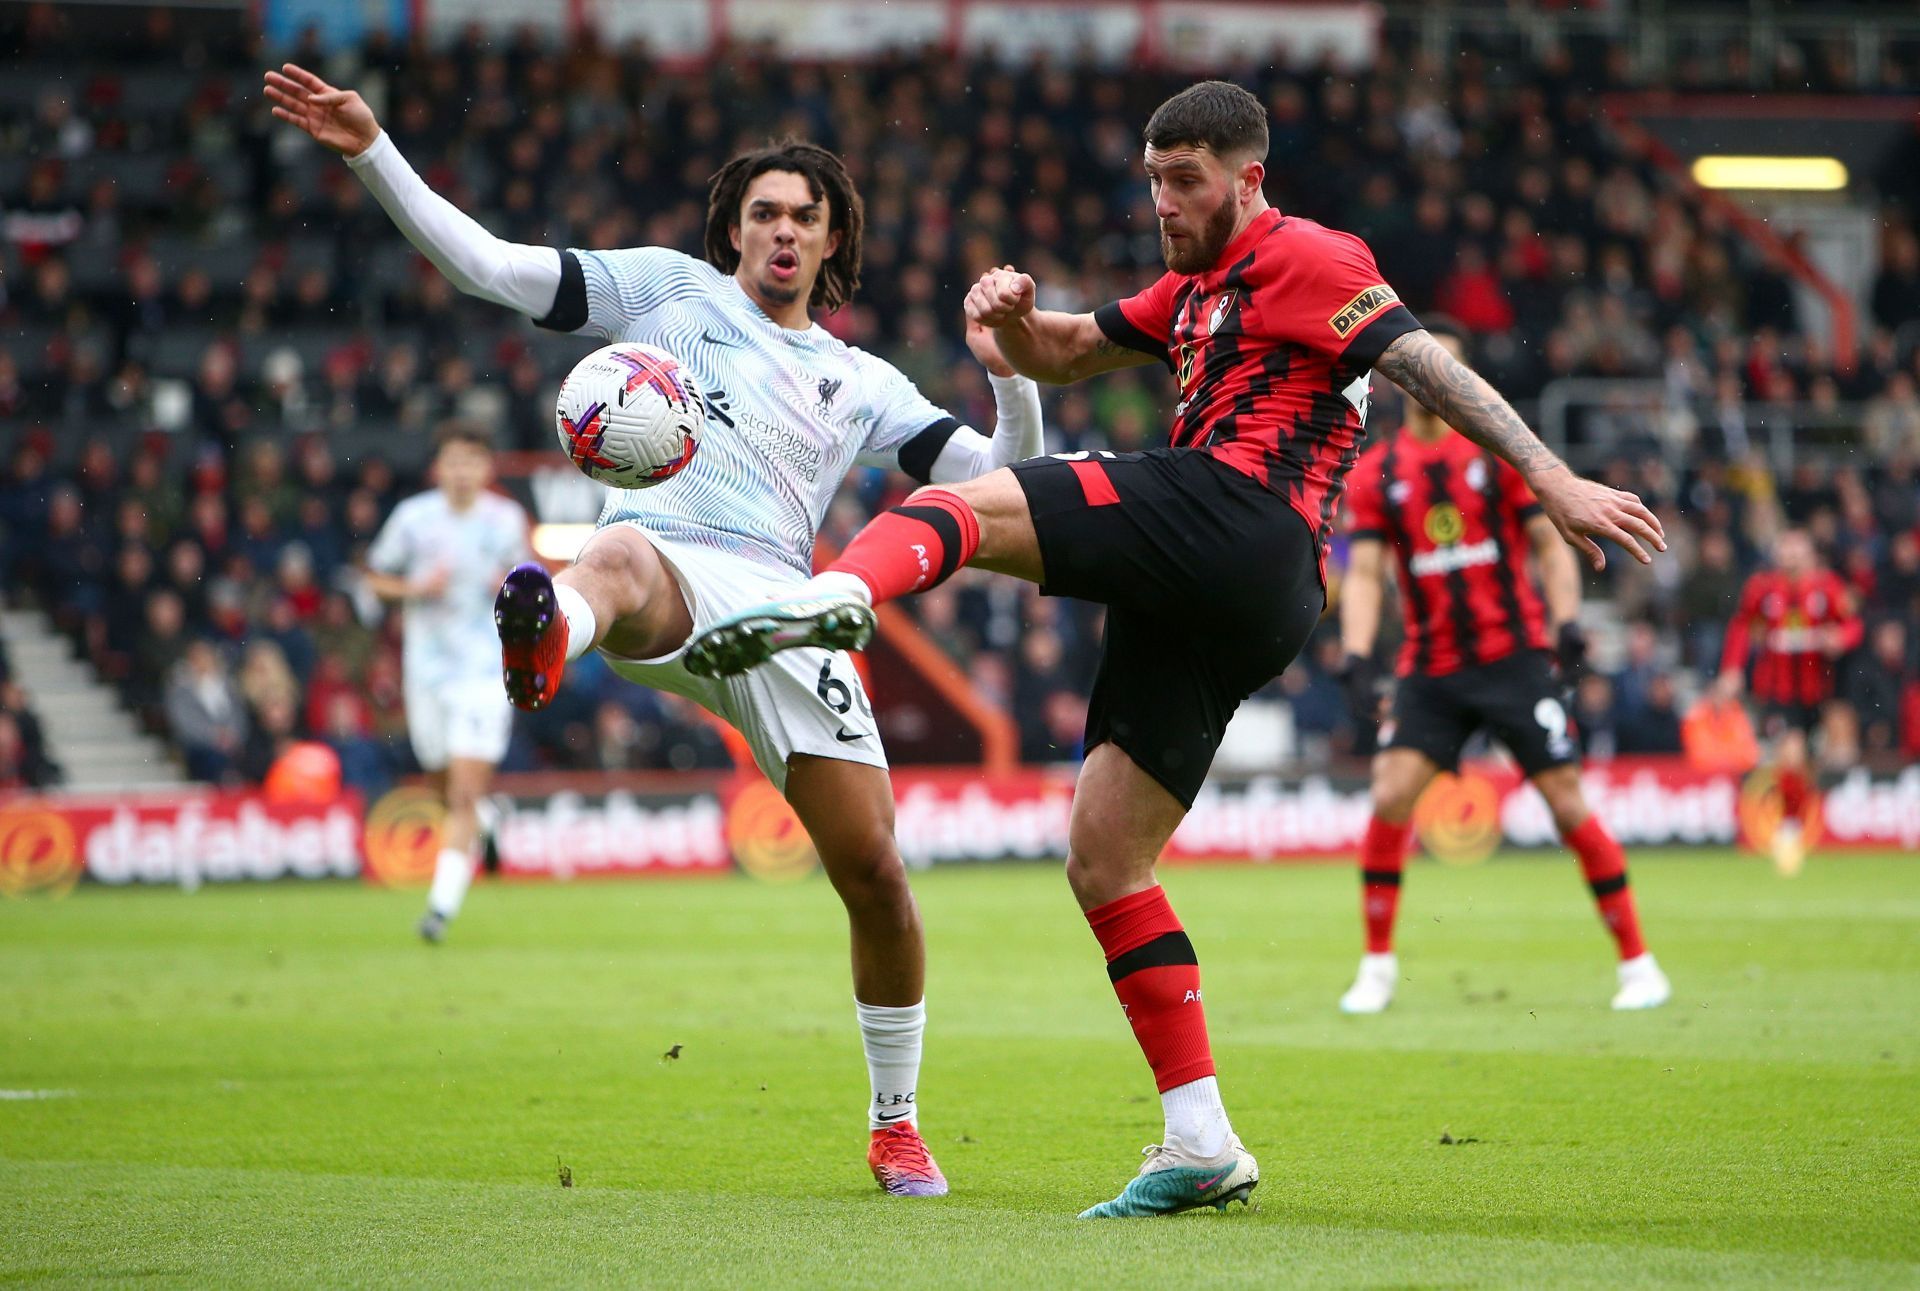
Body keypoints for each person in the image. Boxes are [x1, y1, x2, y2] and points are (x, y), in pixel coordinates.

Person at [683, 81, 1666, 1218]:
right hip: (1238, 593)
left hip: (1240, 515)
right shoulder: (1190, 287)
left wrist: (1547, 476)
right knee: (1104, 853)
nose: (1163, 201)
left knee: (978, 510)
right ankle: (1200, 1138)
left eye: (1185, 180)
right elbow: (1064, 351)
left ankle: (827, 601)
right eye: (1154, 179)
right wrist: (1001, 327)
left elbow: (1422, 361)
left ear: (1248, 178)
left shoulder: (1310, 255)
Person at [266, 62, 1046, 1199]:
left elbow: (1004, 481)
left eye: (805, 219)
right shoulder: (668, 295)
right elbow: (486, 265)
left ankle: (895, 1123)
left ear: (834, 242)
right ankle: (551, 634)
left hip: (785, 610)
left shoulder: (860, 379)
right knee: (609, 552)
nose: (784, 232)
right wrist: (371, 149)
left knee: (876, 875)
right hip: (663, 564)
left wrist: (1011, 375)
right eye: (765, 213)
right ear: (733, 225)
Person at [1336, 319, 1669, 1016]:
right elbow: (1364, 574)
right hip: (1432, 665)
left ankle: (1640, 962)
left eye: (1448, 365)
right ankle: (1376, 964)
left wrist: (1568, 620)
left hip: (1513, 658)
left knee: (1567, 803)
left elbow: (1549, 546)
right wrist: (1360, 654)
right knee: (1390, 794)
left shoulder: (1494, 453)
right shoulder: (1378, 472)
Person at [363, 421, 529, 941]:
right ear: (439, 468)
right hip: (426, 675)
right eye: (453, 461)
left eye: (472, 461)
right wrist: (414, 587)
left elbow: (534, 588)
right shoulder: (413, 520)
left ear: (487, 468)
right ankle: (488, 821)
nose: (462, 471)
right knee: (441, 785)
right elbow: (372, 579)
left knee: (459, 794)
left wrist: (510, 587)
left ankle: (439, 910)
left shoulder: (506, 520)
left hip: (482, 674)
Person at [1716, 528, 1862, 876]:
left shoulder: (1827, 588)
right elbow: (1741, 627)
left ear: (1810, 553)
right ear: (1777, 554)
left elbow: (1853, 624)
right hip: (1780, 695)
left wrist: (1840, 637)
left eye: (1798, 549)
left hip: (1823, 691)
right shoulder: (1762, 589)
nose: (1791, 556)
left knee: (1828, 761)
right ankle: (1790, 831)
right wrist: (1732, 670)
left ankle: (1805, 809)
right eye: (1785, 549)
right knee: (1790, 758)